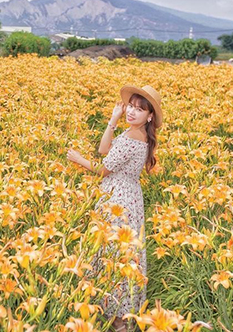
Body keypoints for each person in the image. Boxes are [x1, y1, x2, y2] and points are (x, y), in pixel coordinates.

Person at [67, 84, 163, 332]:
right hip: (129, 196)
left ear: (149, 116)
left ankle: (112, 316)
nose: (131, 112)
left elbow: (103, 168)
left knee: (112, 254)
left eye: (139, 109)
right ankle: (118, 315)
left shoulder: (133, 137)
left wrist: (79, 160)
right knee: (122, 255)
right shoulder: (137, 134)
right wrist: (113, 119)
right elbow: (103, 149)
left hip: (118, 201)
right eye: (130, 106)